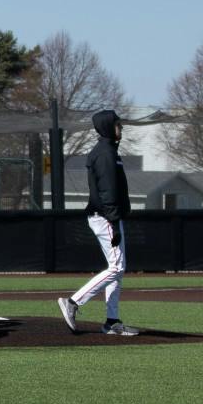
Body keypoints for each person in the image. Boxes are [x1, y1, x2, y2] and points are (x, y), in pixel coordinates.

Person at [59, 109, 138, 336]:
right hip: (105, 216)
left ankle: (112, 321)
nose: (120, 127)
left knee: (118, 269)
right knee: (116, 267)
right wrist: (113, 221)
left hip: (109, 216)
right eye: (117, 124)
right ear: (107, 127)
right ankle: (73, 302)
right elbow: (107, 191)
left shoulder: (110, 151)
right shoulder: (104, 153)